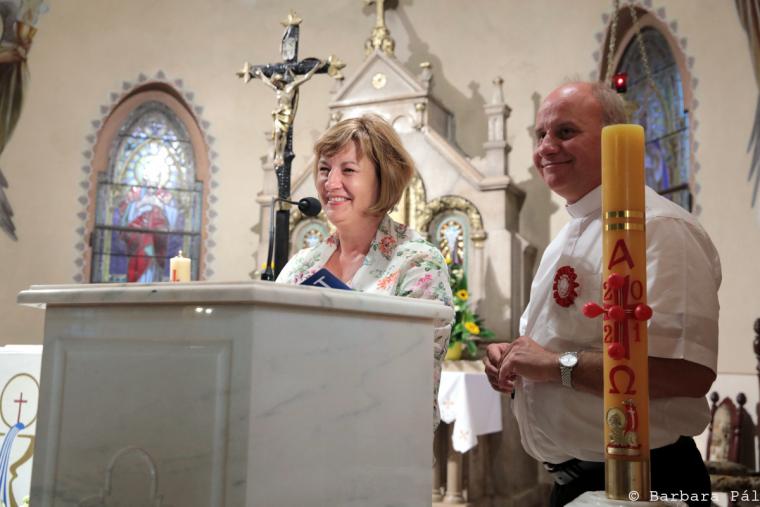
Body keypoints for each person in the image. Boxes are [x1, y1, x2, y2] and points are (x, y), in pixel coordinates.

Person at [483, 82, 720, 507]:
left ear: (615, 138)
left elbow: (688, 373)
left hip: (646, 479)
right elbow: (566, 344)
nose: (546, 147)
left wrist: (554, 366)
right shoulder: (566, 235)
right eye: (540, 134)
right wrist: (517, 360)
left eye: (565, 132)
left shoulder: (660, 227)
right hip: (572, 484)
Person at [277, 114, 453, 431]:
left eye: (348, 170)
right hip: (296, 426)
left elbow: (413, 375)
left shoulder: (417, 262)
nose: (331, 183)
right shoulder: (301, 265)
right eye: (324, 169)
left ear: (383, 179)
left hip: (379, 435)